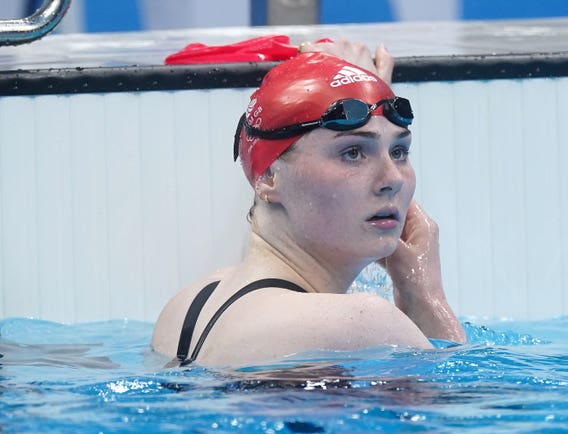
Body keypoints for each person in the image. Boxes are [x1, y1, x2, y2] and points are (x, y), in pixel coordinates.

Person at [152, 40, 466, 367]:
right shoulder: (365, 323)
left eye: (399, 152)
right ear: (270, 177)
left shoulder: (186, 308)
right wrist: (425, 294)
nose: (394, 179)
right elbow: (456, 410)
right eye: (353, 153)